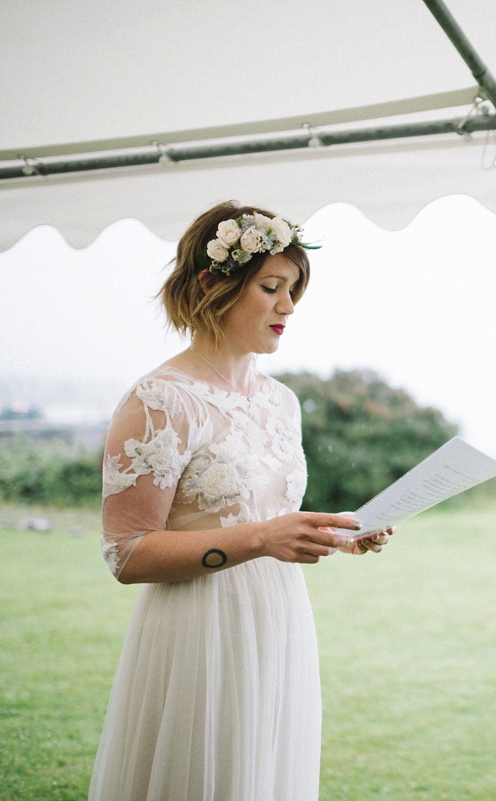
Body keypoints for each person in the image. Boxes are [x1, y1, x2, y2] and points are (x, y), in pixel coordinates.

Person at [89, 201, 390, 801]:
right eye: (272, 287)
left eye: (295, 291)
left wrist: (335, 531)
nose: (288, 307)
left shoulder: (281, 401)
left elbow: (263, 513)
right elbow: (127, 553)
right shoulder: (160, 401)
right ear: (213, 284)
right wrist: (260, 539)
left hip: (277, 621)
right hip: (199, 630)